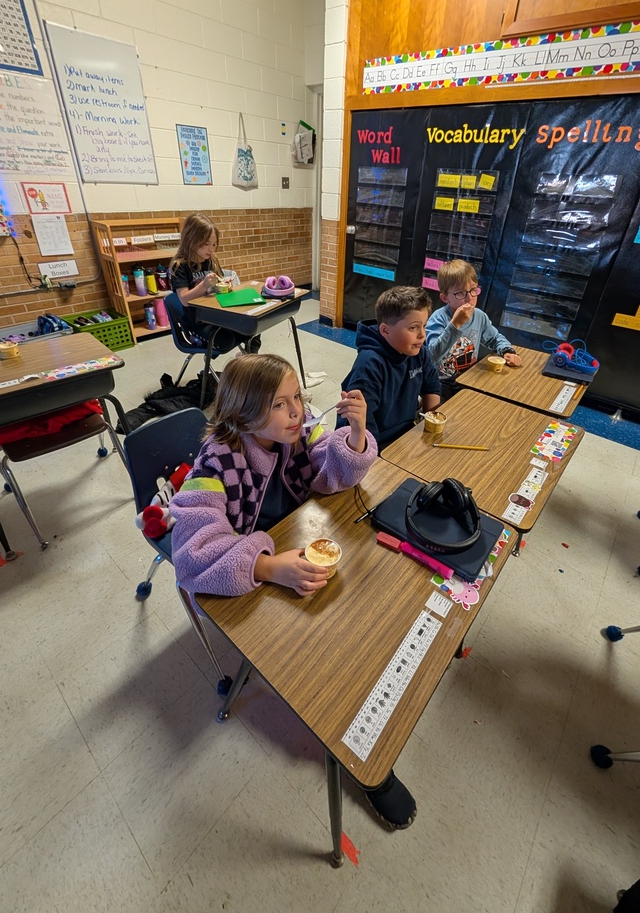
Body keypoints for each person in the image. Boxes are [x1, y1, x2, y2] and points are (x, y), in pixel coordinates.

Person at [169, 353, 417, 829]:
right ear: (241, 413)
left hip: (289, 556)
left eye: (297, 398)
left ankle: (369, 731)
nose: (298, 412)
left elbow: (334, 471)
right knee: (323, 661)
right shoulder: (217, 462)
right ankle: (366, 760)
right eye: (280, 405)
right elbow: (193, 556)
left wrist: (358, 434)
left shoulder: (295, 436)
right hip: (251, 579)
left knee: (365, 615)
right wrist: (265, 566)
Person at [339, 285, 441, 450]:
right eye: (413, 327)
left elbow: (432, 387)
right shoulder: (369, 365)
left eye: (424, 325)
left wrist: (431, 426)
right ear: (385, 330)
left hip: (406, 435)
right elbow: (363, 425)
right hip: (376, 444)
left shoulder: (419, 351)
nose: (422, 334)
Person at [425, 259, 521, 402]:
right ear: (445, 298)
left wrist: (507, 350)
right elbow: (433, 355)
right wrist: (455, 324)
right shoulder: (438, 319)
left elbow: (494, 338)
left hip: (469, 378)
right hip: (441, 382)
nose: (469, 298)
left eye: (473, 290)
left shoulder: (479, 316)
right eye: (460, 293)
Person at [169, 213, 260, 354]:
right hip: (197, 322)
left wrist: (225, 285)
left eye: (214, 244)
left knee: (254, 327)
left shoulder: (211, 260)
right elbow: (185, 300)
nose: (211, 249)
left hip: (216, 316)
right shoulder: (180, 266)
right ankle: (198, 339)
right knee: (226, 341)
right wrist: (204, 285)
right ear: (191, 239)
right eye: (206, 244)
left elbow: (218, 289)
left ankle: (246, 361)